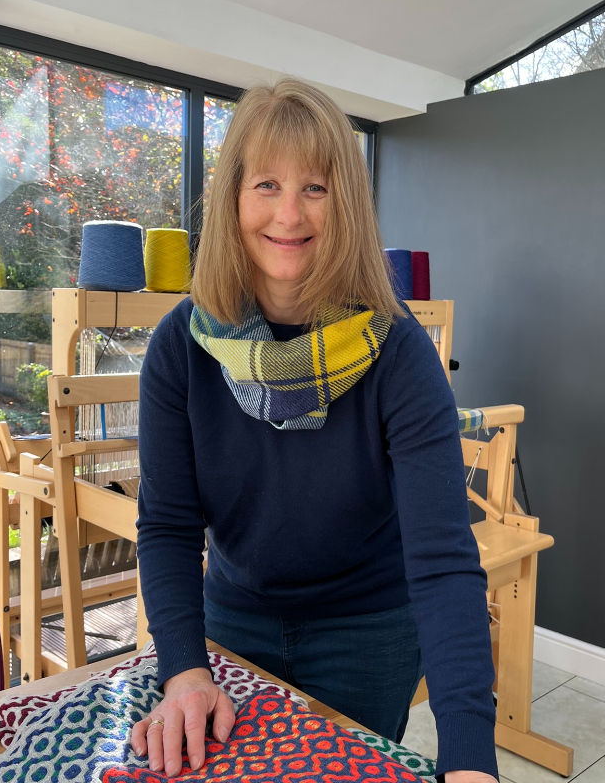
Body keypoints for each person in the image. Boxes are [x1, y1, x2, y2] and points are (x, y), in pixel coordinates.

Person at [130, 77, 499, 783]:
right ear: (234, 197)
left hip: (370, 633)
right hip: (231, 624)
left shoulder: (400, 352)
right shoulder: (179, 348)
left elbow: (444, 561)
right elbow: (169, 527)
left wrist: (470, 761)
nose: (289, 214)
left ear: (348, 205)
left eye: (316, 188)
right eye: (266, 184)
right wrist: (182, 669)